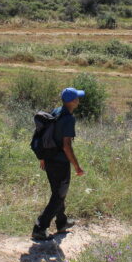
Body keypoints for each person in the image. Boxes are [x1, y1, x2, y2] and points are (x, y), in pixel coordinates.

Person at [32, 87, 86, 241]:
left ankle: (62, 223)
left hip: (48, 159)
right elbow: (66, 146)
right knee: (59, 194)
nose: (79, 100)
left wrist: (42, 157)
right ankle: (40, 228)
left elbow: (43, 134)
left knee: (58, 192)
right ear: (73, 101)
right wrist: (77, 166)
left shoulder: (56, 111)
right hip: (60, 162)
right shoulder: (69, 118)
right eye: (77, 98)